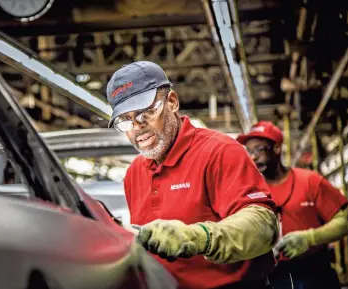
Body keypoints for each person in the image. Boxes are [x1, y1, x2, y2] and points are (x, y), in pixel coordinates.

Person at [106, 61, 279, 289]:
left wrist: (198, 237)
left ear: (172, 102)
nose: (137, 126)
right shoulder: (134, 173)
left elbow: (263, 226)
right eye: (126, 120)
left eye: (146, 112)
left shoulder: (219, 151)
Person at [236, 121, 348, 289]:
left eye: (260, 149)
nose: (253, 157)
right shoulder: (249, 191)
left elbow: (344, 222)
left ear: (276, 148)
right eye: (249, 151)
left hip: (315, 274)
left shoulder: (309, 181)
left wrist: (309, 238)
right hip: (272, 277)